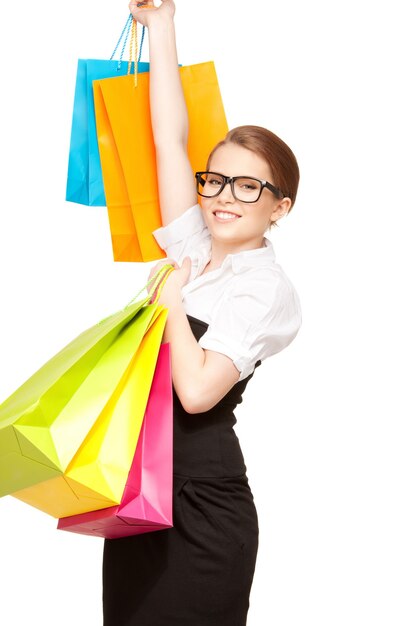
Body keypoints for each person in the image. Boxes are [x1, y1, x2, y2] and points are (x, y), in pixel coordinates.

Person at [102, 1, 302, 624]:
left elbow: (195, 393)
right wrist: (161, 27)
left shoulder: (266, 289)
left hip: (203, 506)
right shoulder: (193, 245)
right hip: (140, 492)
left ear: (281, 207)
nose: (223, 196)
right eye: (214, 180)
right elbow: (170, 138)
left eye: (249, 186)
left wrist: (172, 302)